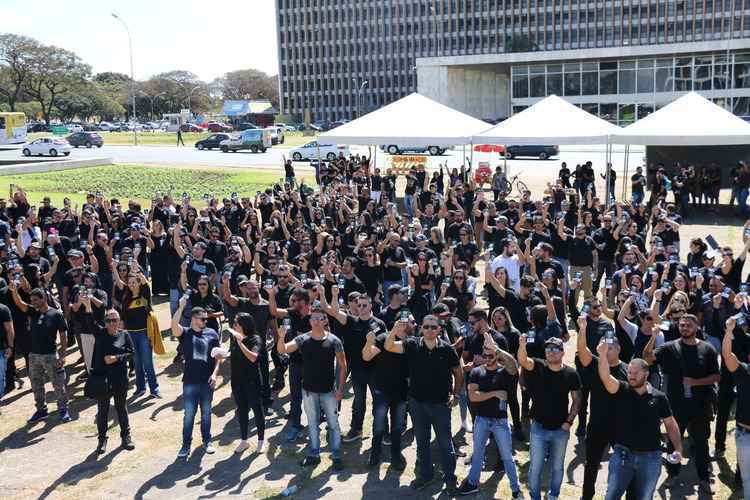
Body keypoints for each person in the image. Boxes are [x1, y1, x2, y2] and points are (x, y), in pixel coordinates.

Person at [385, 314, 463, 495]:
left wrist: (456, 395)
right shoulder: (412, 345)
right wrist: (395, 331)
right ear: (421, 328)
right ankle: (426, 475)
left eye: (433, 327)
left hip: (441, 404)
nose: (429, 330)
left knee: (445, 443)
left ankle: (450, 478)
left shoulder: (447, 349)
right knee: (422, 442)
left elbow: (458, 374)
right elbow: (389, 346)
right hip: (417, 403)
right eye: (426, 326)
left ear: (439, 330)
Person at [596, 341, 683, 499]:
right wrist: (602, 355)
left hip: (650, 458)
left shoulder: (659, 397)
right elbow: (606, 378)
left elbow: (670, 424)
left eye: (636, 372)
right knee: (611, 495)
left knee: (644, 497)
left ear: (646, 374)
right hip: (622, 455)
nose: (631, 376)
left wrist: (678, 448)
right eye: (629, 372)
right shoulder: (622, 389)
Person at [643, 313, 719, 494]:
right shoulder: (669, 348)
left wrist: (695, 382)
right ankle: (673, 474)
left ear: (696, 327)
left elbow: (716, 376)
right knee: (673, 443)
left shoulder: (707, 349)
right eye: (682, 325)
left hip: (700, 406)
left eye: (688, 325)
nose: (684, 328)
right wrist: (653, 336)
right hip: (675, 406)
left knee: (701, 443)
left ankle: (703, 478)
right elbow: (647, 358)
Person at [276, 301, 346, 471]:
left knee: (333, 423)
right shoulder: (302, 339)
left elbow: (343, 365)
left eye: (319, 318)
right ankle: (314, 454)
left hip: (329, 390)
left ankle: (336, 455)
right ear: (309, 320)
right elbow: (283, 350)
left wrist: (340, 390)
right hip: (308, 391)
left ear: (324, 321)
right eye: (313, 318)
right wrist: (280, 336)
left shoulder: (334, 340)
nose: (315, 321)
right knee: (312, 423)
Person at [459, 331, 522, 498]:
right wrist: (494, 394)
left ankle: (516, 489)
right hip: (481, 420)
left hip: (500, 421)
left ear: (497, 356)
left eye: (490, 355)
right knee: (478, 454)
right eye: (484, 355)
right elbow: (472, 396)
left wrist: (498, 349)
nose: (487, 358)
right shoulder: (476, 372)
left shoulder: (504, 372)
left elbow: (514, 366)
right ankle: (472, 483)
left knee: (507, 456)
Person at [518, 335, 581, 500]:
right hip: (538, 426)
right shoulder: (538, 365)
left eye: (555, 349)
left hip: (561, 429)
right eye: (548, 349)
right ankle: (535, 496)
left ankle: (554, 495)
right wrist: (522, 345)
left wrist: (569, 421)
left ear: (562, 352)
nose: (551, 352)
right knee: (536, 466)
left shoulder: (571, 373)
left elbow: (577, 400)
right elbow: (523, 361)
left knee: (557, 467)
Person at [576, 315, 628, 500]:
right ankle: (586, 497)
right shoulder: (595, 364)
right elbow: (582, 352)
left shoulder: (627, 371)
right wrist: (582, 329)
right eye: (603, 347)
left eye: (610, 347)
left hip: (619, 427)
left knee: (623, 466)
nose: (606, 350)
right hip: (597, 425)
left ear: (619, 349)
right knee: (591, 465)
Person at [11, 286, 71, 423]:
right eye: (32, 300)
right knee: (36, 384)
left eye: (36, 300)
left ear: (43, 298)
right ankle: (41, 410)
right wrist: (14, 291)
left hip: (51, 355)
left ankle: (63, 410)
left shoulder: (56, 314)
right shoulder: (33, 312)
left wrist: (63, 355)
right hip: (33, 356)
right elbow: (20, 303)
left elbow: (63, 336)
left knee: (58, 385)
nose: (33, 302)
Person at [171, 303, 223, 458]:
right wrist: (180, 308)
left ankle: (207, 441)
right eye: (202, 319)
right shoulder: (185, 333)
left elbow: (218, 358)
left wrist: (214, 374)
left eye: (206, 319)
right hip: (190, 382)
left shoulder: (212, 333)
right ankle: (186, 445)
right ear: (193, 319)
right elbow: (173, 325)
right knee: (189, 415)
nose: (205, 322)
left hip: (207, 382)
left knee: (206, 413)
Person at [85, 305, 135, 454]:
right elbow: (90, 322)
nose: (112, 323)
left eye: (115, 320)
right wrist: (87, 305)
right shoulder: (100, 334)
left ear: (119, 321)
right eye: (109, 320)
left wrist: (116, 358)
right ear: (105, 322)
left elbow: (131, 353)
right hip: (103, 379)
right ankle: (102, 440)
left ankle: (126, 437)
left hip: (120, 378)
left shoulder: (124, 335)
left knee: (121, 408)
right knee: (103, 410)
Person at [362, 317, 410, 469]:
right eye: (402, 321)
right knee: (378, 424)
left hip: (401, 390)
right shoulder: (383, 338)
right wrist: (369, 342)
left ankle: (395, 455)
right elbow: (367, 356)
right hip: (381, 389)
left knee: (397, 426)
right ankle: (375, 453)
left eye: (409, 321)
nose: (406, 323)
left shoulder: (412, 342)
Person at [228, 312, 266, 454]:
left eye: (236, 323)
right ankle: (244, 440)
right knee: (242, 411)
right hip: (237, 381)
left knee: (257, 410)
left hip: (252, 381)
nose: (234, 326)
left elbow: (253, 358)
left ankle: (261, 441)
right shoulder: (235, 338)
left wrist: (240, 343)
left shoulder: (255, 339)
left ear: (244, 325)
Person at [722, 315, 750, 499]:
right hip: (745, 435)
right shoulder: (744, 371)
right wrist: (729, 331)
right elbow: (727, 355)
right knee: (748, 480)